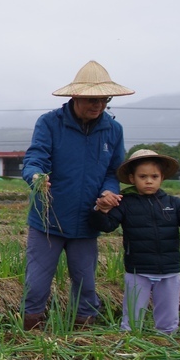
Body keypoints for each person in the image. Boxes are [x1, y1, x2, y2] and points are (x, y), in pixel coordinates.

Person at [21, 61, 131, 330]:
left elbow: (114, 171)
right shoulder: (50, 123)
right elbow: (36, 157)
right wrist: (36, 176)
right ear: (75, 96)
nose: (99, 105)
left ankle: (83, 331)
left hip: (86, 221)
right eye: (92, 100)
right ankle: (31, 330)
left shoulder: (113, 130)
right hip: (49, 219)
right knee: (36, 283)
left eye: (104, 100)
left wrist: (109, 191)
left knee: (86, 283)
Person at [89, 150, 180, 335]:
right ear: (132, 178)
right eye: (143, 176)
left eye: (154, 176)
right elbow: (106, 225)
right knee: (133, 316)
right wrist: (101, 210)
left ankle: (167, 340)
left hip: (169, 270)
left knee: (168, 316)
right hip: (138, 270)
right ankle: (129, 340)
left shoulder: (173, 203)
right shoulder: (124, 203)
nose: (149, 181)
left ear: (161, 178)